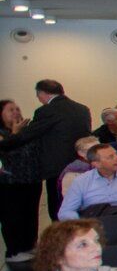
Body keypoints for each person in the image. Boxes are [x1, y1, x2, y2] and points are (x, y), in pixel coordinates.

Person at [0, 79, 92, 221]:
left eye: (38, 95)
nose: (38, 99)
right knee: (79, 207)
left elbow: (29, 135)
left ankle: (60, 241)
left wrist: (9, 140)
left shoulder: (46, 111)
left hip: (56, 169)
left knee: (58, 210)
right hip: (82, 165)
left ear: (42, 93)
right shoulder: (82, 109)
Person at [58, 144, 117, 220]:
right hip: (94, 222)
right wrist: (82, 225)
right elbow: (66, 211)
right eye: (111, 157)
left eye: (116, 154)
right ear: (96, 164)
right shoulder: (81, 181)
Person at [0, 98, 43, 264]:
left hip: (31, 179)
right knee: (12, 216)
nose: (16, 112)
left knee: (31, 214)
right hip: (9, 183)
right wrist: (15, 134)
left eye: (17, 108)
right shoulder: (3, 134)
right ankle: (14, 250)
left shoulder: (28, 131)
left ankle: (29, 245)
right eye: (11, 110)